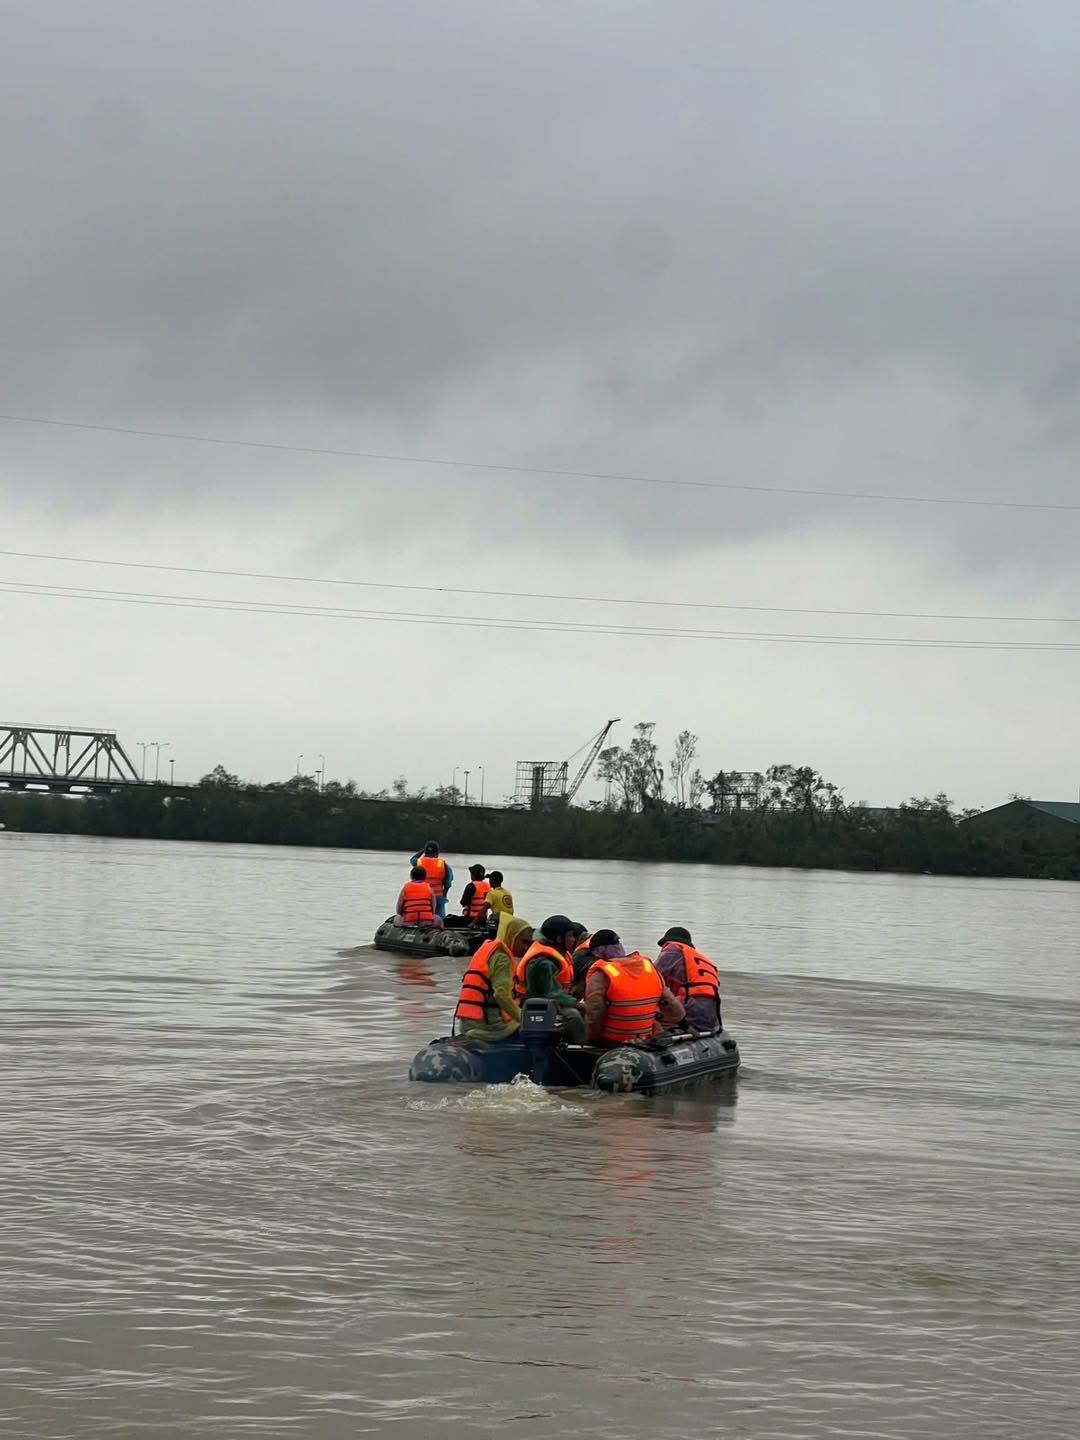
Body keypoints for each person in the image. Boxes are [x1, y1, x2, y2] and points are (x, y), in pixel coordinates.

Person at [585, 940, 684, 1047]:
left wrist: (592, 1038)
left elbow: (594, 1013)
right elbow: (671, 1004)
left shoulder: (600, 975)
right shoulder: (649, 967)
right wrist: (685, 1025)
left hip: (613, 1041)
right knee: (657, 1024)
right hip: (646, 1038)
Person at [453, 918, 534, 1043]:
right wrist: (523, 1018)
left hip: (468, 1025)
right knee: (536, 1030)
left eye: (529, 944)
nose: (525, 947)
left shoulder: (488, 949)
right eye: (523, 942)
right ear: (512, 937)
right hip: (490, 1027)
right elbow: (501, 994)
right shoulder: (502, 958)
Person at [513, 914, 586, 1042]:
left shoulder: (560, 953)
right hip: (533, 1003)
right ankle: (581, 1046)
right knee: (573, 1017)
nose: (574, 939)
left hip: (550, 1000)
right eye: (570, 936)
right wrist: (577, 1004)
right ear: (559, 938)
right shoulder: (543, 962)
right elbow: (549, 993)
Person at [655, 926, 723, 1033]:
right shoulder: (703, 960)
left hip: (689, 1008)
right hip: (711, 1016)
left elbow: (654, 978)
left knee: (650, 1016)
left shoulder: (673, 948)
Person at [409, 842, 453, 920]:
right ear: (437, 853)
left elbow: (412, 859)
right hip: (438, 897)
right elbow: (448, 884)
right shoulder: (444, 865)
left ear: (425, 852)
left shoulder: (419, 862)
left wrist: (422, 850)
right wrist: (444, 894)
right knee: (440, 919)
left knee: (421, 918)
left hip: (422, 897)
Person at [480, 871, 515, 939]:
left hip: (499, 922)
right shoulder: (508, 893)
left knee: (491, 917)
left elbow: (484, 909)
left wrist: (474, 922)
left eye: (490, 879)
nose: (489, 881)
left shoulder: (492, 894)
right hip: (510, 921)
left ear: (492, 881)